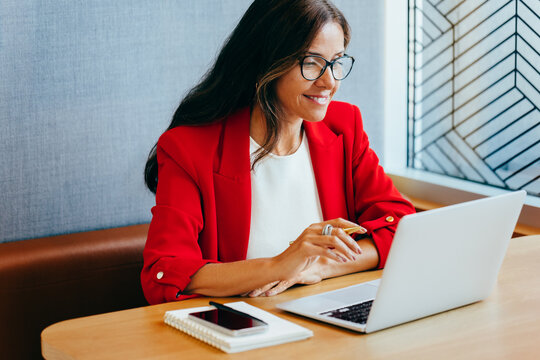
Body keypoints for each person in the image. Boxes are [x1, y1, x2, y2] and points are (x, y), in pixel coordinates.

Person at [141, 0, 415, 305]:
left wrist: (319, 266)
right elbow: (164, 273)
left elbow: (402, 227)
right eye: (311, 63)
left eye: (337, 61)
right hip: (243, 328)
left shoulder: (344, 128)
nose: (330, 81)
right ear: (266, 64)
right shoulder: (189, 149)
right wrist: (279, 265)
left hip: (326, 317)